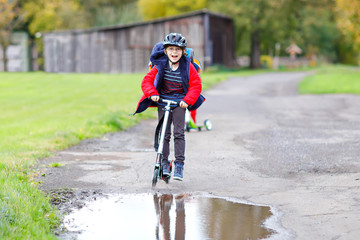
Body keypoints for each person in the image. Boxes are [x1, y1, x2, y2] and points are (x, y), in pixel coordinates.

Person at [134, 33, 205, 181]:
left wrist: (187, 100)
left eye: (178, 50)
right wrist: (152, 93)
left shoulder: (187, 67)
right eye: (171, 49)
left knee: (179, 133)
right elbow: (146, 82)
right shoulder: (160, 65)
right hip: (163, 100)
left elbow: (196, 85)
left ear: (183, 51)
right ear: (165, 51)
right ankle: (164, 163)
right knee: (164, 134)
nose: (174, 52)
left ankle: (179, 164)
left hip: (180, 102)